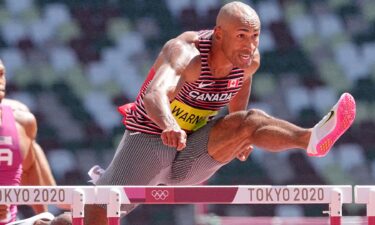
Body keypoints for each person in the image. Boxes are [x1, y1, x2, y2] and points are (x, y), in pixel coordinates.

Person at [84, 1, 356, 225]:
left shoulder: (249, 61)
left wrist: (240, 133)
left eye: (255, 36)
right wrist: (169, 125)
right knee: (98, 213)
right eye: (241, 37)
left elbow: (241, 83)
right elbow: (155, 94)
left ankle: (310, 139)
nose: (249, 46)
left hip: (193, 152)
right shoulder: (187, 54)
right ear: (219, 34)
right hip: (153, 140)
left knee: (249, 122)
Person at [0, 59, 57, 224]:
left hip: (10, 222)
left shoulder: (23, 122)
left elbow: (30, 169)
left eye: (2, 74)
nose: (0, 80)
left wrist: (43, 216)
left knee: (63, 222)